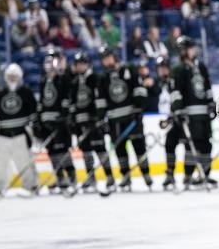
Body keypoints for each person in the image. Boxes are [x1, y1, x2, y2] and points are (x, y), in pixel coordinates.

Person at [164, 36, 217, 190]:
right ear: (183, 51)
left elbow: (207, 88)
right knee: (190, 146)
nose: (195, 50)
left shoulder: (201, 67)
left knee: (206, 144)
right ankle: (187, 176)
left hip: (203, 116)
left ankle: (205, 175)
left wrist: (211, 104)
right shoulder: (178, 70)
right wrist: (179, 110)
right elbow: (175, 93)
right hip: (189, 116)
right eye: (191, 48)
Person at [97, 46, 152, 191]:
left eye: (108, 57)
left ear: (114, 57)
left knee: (139, 147)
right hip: (115, 120)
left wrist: (139, 107)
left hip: (132, 117)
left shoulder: (128, 70)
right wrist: (101, 118)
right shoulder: (103, 78)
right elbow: (101, 100)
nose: (107, 61)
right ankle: (125, 176)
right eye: (104, 59)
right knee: (120, 150)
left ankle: (146, 174)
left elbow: (139, 88)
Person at [0, 64, 38, 198]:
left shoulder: (26, 92)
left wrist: (34, 130)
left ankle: (31, 186)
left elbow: (34, 114)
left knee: (25, 162)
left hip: (21, 135)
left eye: (15, 76)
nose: (12, 78)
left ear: (20, 77)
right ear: (6, 77)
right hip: (3, 135)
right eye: (10, 76)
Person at [69, 52, 115, 192]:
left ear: (87, 64)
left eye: (82, 63)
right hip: (81, 122)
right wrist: (73, 122)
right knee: (86, 152)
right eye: (78, 64)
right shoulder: (74, 82)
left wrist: (100, 118)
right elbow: (73, 103)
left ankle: (109, 177)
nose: (80, 66)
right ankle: (91, 177)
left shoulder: (96, 78)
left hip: (94, 122)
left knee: (100, 150)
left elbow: (100, 99)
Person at [34, 49, 76, 193]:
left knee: (63, 150)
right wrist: (38, 119)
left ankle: (71, 177)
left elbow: (67, 96)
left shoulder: (63, 77)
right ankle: (59, 177)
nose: (50, 64)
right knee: (51, 151)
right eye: (48, 61)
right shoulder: (43, 79)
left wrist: (65, 116)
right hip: (47, 121)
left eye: (53, 61)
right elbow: (42, 100)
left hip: (60, 121)